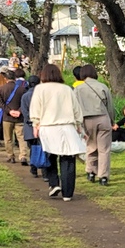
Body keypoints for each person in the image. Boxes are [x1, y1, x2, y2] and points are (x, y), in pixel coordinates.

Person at [29, 63, 85, 202]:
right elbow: (77, 109)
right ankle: (68, 193)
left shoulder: (40, 89)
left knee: (49, 157)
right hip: (67, 127)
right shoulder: (67, 89)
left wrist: (35, 124)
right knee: (68, 159)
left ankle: (53, 183)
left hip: (48, 127)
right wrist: (78, 124)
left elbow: (35, 109)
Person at [73, 64, 115, 186]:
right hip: (103, 118)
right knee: (104, 149)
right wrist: (112, 120)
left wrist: (77, 124)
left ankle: (90, 171)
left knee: (91, 146)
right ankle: (103, 176)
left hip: (86, 120)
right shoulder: (102, 86)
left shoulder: (78, 89)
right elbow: (110, 106)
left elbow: (75, 108)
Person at [0, 68, 30, 165]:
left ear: (5, 79)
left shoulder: (1, 89)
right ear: (15, 78)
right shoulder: (22, 89)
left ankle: (10, 155)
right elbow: (25, 102)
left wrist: (9, 111)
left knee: (8, 138)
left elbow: (0, 103)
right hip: (19, 117)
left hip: (7, 117)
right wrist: (19, 111)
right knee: (21, 137)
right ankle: (23, 156)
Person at [20, 75, 42, 177]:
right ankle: (44, 170)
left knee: (32, 147)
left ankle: (33, 169)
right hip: (41, 125)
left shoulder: (25, 96)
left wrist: (30, 120)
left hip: (29, 126)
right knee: (42, 148)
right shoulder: (42, 95)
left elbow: (24, 112)